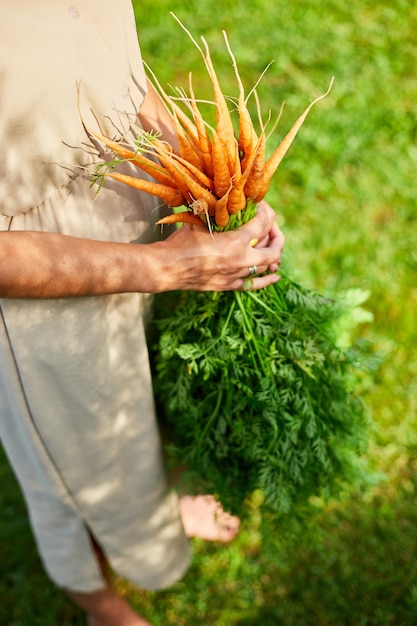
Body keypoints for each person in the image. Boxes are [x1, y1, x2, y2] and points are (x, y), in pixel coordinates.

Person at [0, 2, 284, 625]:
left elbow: (101, 63)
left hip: (141, 200)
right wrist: (169, 268)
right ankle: (98, 600)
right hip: (36, 280)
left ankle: (155, 510)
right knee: (76, 462)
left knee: (149, 400)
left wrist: (214, 182)